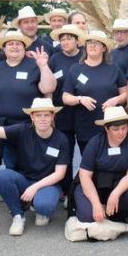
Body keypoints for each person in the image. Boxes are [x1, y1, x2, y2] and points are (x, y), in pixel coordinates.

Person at [0, 99, 69, 235]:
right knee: (3, 176)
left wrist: (35, 187)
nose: (42, 119)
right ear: (32, 117)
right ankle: (18, 215)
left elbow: (59, 174)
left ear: (53, 116)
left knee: (45, 206)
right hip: (25, 180)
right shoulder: (23, 130)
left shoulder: (61, 139)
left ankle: (38, 206)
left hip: (48, 184)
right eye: (38, 115)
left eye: (46, 115)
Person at [0, 30, 55, 170]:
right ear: (4, 48)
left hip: (26, 126)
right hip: (1, 125)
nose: (14, 47)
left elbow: (48, 88)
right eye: (10, 44)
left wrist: (43, 65)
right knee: (8, 164)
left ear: (24, 48)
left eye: (18, 44)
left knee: (26, 164)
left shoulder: (34, 65)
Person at [74, 106, 128, 225]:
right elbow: (85, 175)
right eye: (116, 129)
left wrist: (115, 194)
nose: (121, 133)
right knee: (87, 217)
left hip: (118, 185)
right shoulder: (95, 143)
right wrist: (95, 204)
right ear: (106, 128)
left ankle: (117, 215)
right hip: (94, 184)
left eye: (124, 128)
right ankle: (100, 209)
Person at [62, 30, 127, 152]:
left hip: (112, 127)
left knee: (111, 163)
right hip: (85, 128)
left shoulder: (113, 68)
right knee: (89, 166)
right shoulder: (76, 69)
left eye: (97, 43)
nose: (92, 45)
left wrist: (116, 99)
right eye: (89, 42)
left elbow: (126, 93)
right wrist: (79, 99)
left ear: (103, 48)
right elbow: (65, 97)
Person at [47, 24, 84, 193]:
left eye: (69, 38)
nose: (65, 42)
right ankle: (67, 190)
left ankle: (84, 187)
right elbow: (49, 87)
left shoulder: (85, 57)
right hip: (62, 114)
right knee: (65, 154)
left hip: (84, 115)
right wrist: (50, 110)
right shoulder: (55, 59)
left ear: (77, 41)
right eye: (62, 39)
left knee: (87, 153)